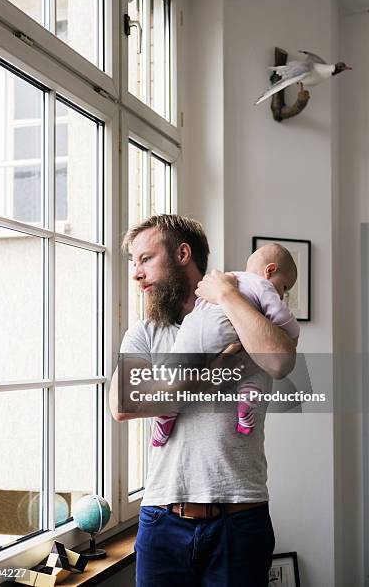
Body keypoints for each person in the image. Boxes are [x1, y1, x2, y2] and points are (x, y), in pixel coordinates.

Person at [109, 214, 297, 587]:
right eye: (134, 263)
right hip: (162, 521)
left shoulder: (249, 316)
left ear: (182, 253)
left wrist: (227, 294)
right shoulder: (145, 333)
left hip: (240, 520)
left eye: (146, 259)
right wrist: (218, 367)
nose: (136, 274)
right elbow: (124, 404)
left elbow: (279, 361)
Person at [152, 243, 299, 446]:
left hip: (193, 329)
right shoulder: (262, 286)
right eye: (284, 287)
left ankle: (167, 413)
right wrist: (293, 333)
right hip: (222, 329)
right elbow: (281, 316)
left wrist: (225, 294)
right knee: (248, 361)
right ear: (270, 270)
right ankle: (247, 397)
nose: (282, 295)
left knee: (175, 366)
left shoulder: (228, 279)